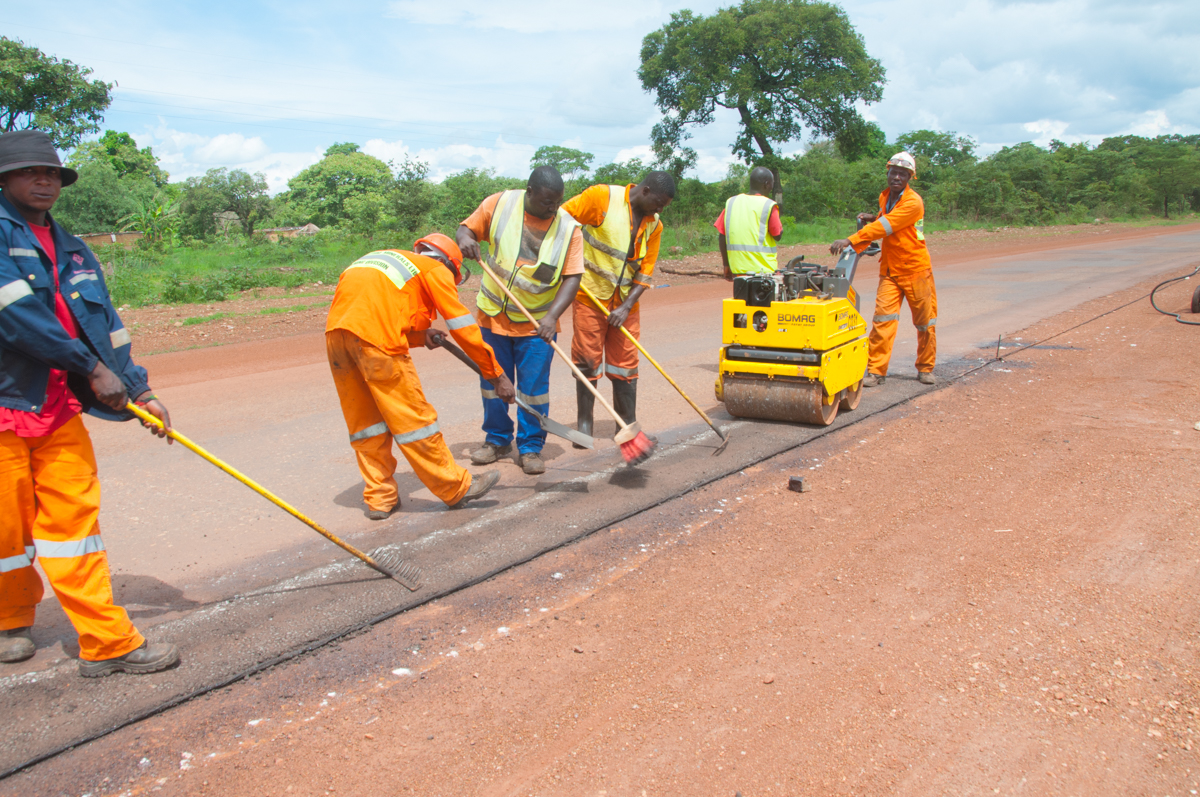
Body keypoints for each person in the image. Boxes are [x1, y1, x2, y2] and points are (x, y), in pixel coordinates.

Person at [0, 130, 179, 676]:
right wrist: (92, 369)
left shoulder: (73, 248)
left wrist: (138, 386)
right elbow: (18, 319)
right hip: (6, 402)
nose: (45, 181)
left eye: (52, 173)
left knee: (75, 524)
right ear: (4, 179)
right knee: (6, 528)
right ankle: (9, 618)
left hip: (55, 406)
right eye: (32, 173)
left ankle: (106, 641)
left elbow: (107, 331)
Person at [325, 234, 515, 518]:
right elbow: (462, 326)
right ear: (447, 264)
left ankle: (380, 499)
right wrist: (495, 374)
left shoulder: (383, 257)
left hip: (337, 341)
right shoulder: (434, 269)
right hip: (378, 344)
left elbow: (377, 310)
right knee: (414, 421)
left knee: (366, 424)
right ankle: (456, 488)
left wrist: (418, 335)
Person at [456, 166, 584, 475]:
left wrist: (553, 317)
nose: (552, 208)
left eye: (557, 202)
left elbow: (573, 277)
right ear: (529, 192)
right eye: (546, 201)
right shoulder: (500, 204)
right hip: (492, 316)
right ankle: (497, 440)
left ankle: (530, 447)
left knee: (533, 389)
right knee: (493, 383)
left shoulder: (569, 229)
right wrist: (465, 239)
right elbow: (465, 229)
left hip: (537, 324)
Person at [560, 171, 673, 438]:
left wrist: (625, 307)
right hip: (590, 296)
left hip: (625, 303)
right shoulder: (602, 198)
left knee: (625, 364)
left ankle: (626, 423)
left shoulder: (654, 225)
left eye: (663, 207)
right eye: (658, 203)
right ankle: (585, 423)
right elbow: (561, 220)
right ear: (644, 191)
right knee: (587, 360)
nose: (659, 210)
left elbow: (645, 272)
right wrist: (569, 261)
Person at [830, 151, 937, 386]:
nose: (896, 177)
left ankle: (926, 367)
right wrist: (873, 216)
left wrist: (852, 240)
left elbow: (886, 226)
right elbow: (884, 218)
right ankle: (877, 370)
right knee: (882, 320)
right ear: (887, 172)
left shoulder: (913, 202)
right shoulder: (885, 197)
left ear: (910, 177)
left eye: (902, 174)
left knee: (925, 323)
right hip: (890, 270)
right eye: (893, 172)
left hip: (915, 269)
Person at [716, 166, 784, 281]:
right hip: (764, 272)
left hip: (738, 271)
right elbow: (777, 235)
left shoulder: (732, 202)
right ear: (766, 184)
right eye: (772, 184)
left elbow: (722, 236)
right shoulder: (768, 205)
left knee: (741, 299)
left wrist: (726, 265)